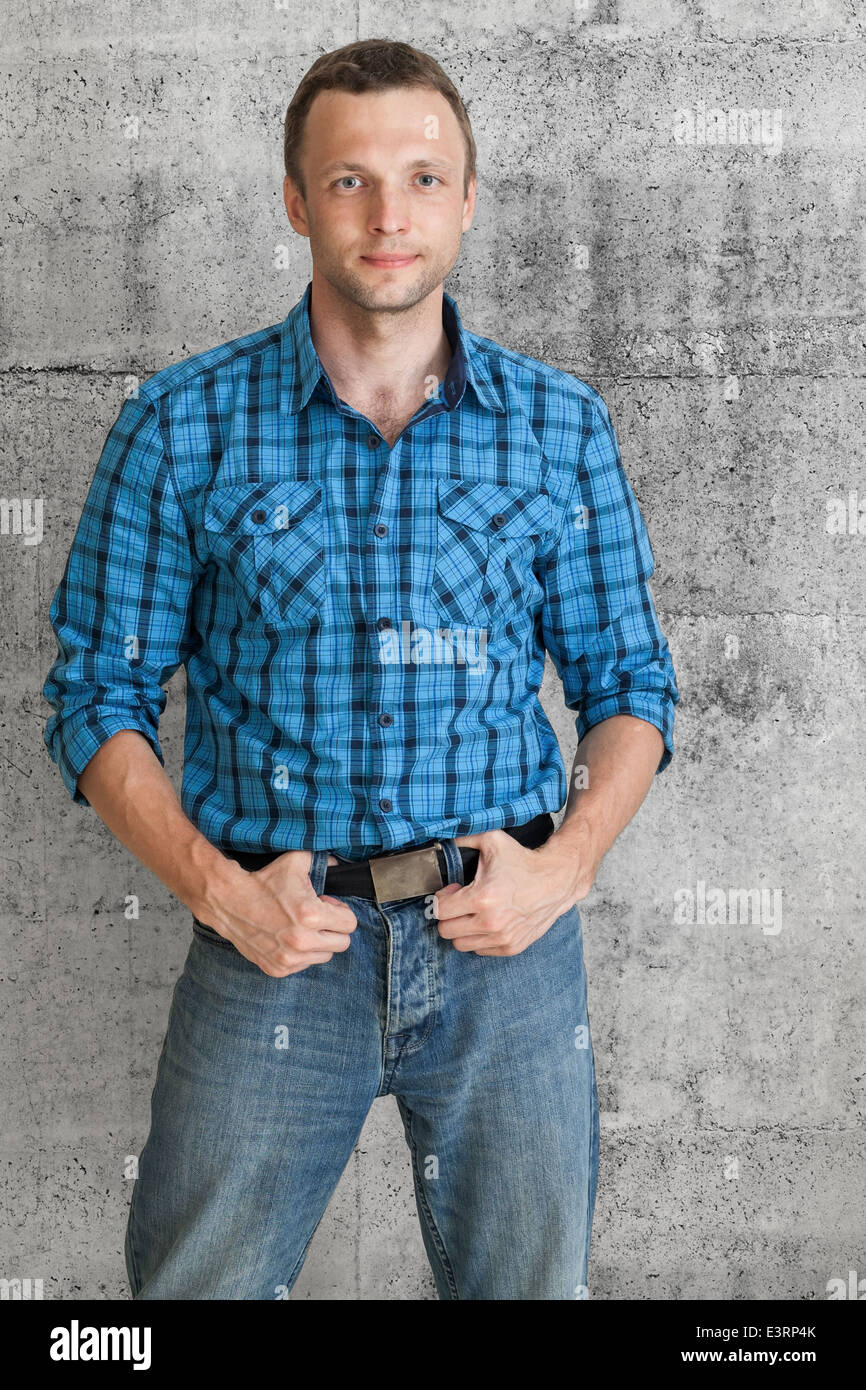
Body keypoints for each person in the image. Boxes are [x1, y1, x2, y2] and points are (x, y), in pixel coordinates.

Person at [42, 38, 679, 1300]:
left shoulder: (559, 428)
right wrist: (220, 894)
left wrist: (565, 869)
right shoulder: (179, 425)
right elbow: (95, 694)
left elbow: (629, 686)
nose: (389, 215)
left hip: (503, 944)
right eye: (349, 181)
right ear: (295, 200)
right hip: (270, 944)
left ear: (467, 198)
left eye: (422, 178)